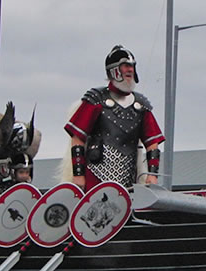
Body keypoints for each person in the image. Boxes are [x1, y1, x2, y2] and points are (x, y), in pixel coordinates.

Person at [65, 45, 164, 189]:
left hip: (129, 178)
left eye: (132, 66)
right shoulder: (96, 100)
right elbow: (77, 138)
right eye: (125, 65)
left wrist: (152, 175)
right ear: (114, 69)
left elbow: (152, 143)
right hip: (95, 176)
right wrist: (78, 175)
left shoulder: (140, 105)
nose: (130, 69)